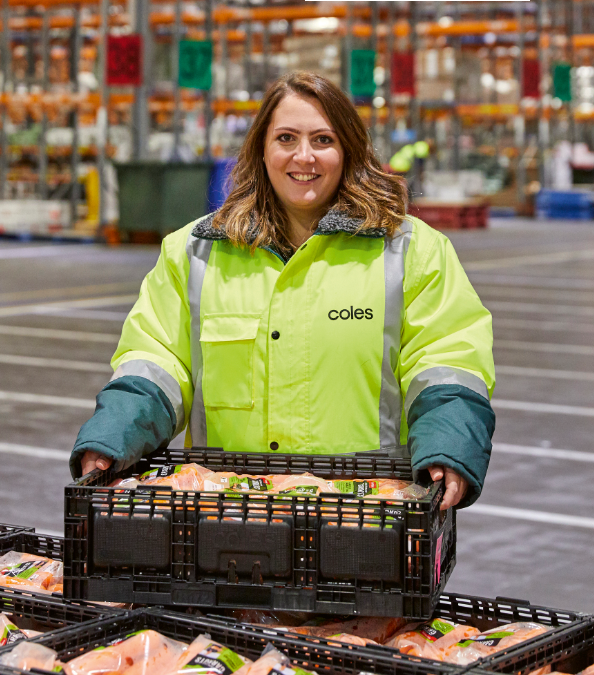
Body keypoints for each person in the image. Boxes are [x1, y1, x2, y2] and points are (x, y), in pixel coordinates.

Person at [70, 71, 495, 511]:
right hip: (228, 519)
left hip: (365, 520)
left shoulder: (411, 251)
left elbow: (448, 359)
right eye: (287, 138)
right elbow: (156, 360)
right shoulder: (194, 252)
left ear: (349, 149)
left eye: (323, 140)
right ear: (262, 149)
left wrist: (448, 446)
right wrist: (113, 435)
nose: (304, 156)